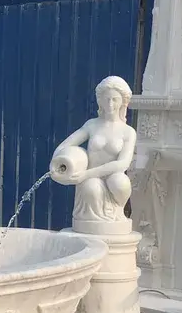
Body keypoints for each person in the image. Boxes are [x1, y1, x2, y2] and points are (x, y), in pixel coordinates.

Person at [52, 76, 136, 224]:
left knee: (119, 181)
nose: (110, 104)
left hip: (108, 179)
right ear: (100, 101)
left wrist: (85, 174)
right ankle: (93, 220)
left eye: (115, 99)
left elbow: (122, 164)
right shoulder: (92, 125)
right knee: (92, 187)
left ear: (123, 102)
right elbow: (63, 146)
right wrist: (56, 166)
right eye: (106, 99)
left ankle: (117, 212)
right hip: (89, 180)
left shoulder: (128, 132)